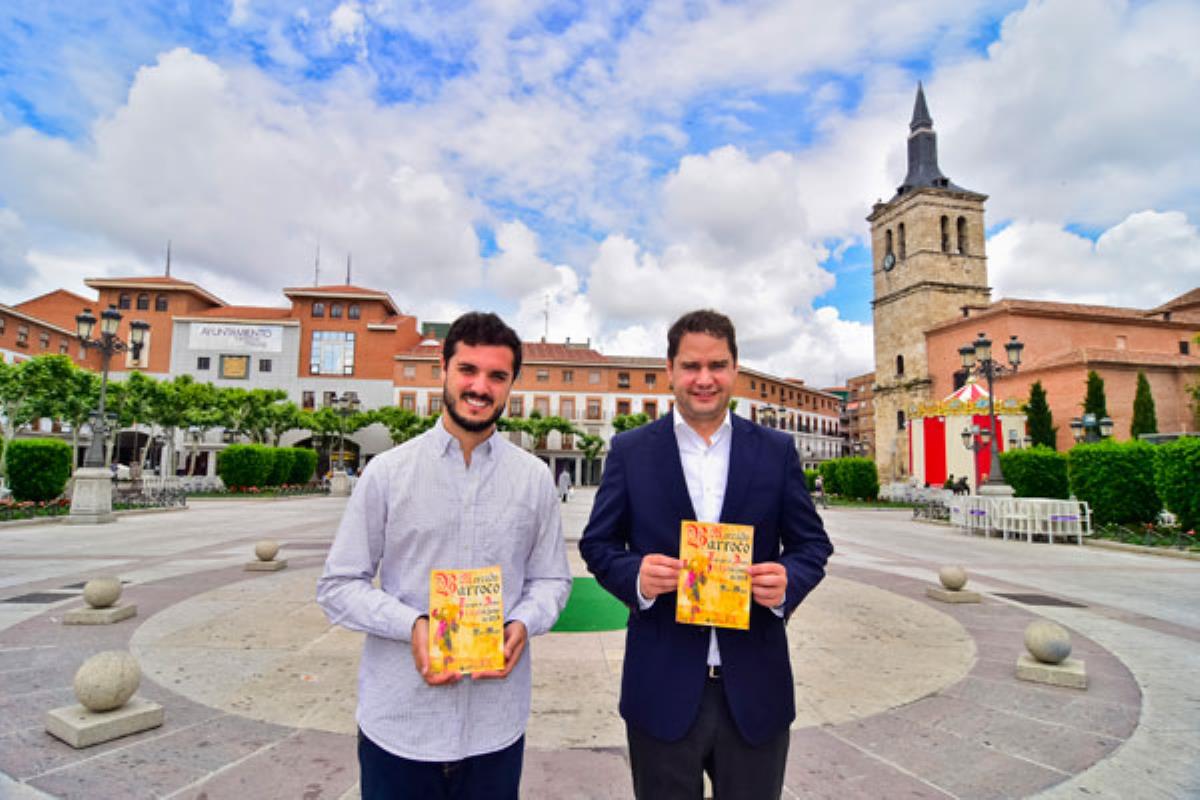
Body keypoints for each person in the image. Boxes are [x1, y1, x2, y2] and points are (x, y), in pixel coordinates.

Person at [317, 312, 571, 800]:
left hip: (496, 727)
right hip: (401, 724)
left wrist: (524, 622)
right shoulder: (388, 473)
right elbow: (338, 585)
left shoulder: (534, 478)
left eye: (497, 376)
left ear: (512, 383)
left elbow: (552, 581)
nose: (480, 387)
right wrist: (411, 624)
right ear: (444, 368)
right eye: (468, 370)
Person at [580, 309, 833, 800]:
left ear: (735, 370)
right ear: (670, 369)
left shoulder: (776, 450)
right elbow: (598, 543)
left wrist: (787, 581)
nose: (704, 379)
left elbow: (812, 544)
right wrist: (636, 576)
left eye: (717, 365)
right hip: (661, 689)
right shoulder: (631, 451)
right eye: (691, 366)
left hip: (756, 690)